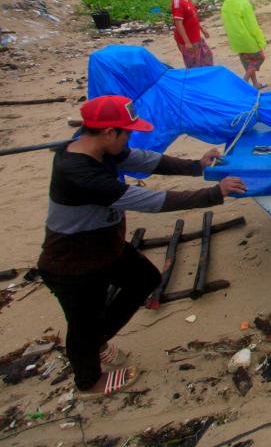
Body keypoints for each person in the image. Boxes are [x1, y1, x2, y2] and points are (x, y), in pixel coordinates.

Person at [38, 95, 247, 398]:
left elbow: (148, 160)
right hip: (72, 260)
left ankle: (97, 340)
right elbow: (151, 201)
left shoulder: (104, 149)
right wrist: (214, 193)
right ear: (110, 133)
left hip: (105, 246)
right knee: (83, 324)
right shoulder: (80, 174)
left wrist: (196, 166)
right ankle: (89, 382)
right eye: (128, 131)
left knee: (145, 279)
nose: (131, 137)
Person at [221, 0, 267, 88]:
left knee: (247, 62)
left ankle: (255, 84)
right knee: (260, 58)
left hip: (236, 40)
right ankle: (244, 82)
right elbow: (252, 26)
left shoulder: (226, 3)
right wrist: (261, 41)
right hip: (248, 40)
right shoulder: (244, 3)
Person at [171, 0, 213, 68]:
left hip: (196, 37)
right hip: (188, 40)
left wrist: (202, 29)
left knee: (207, 58)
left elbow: (193, 17)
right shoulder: (178, 3)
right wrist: (187, 42)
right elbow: (178, 24)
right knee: (194, 66)